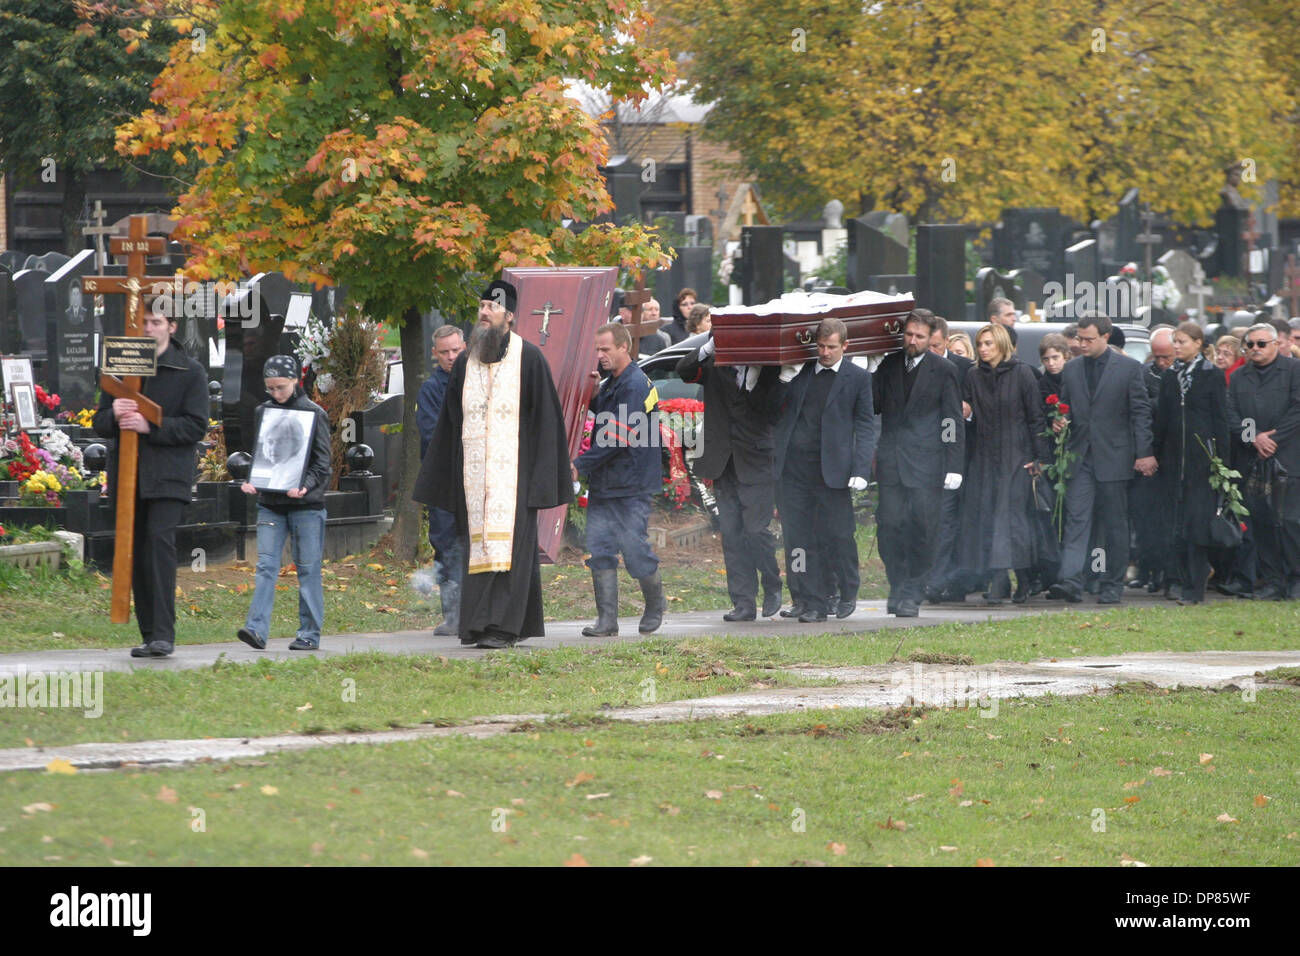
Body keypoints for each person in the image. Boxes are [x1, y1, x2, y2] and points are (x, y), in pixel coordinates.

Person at [413, 279, 573, 648]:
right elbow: (450, 425)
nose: (484, 313)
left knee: (510, 554)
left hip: (514, 479)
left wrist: (541, 481)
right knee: (477, 550)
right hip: (474, 479)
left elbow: (547, 421)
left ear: (511, 316)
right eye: (482, 306)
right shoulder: (465, 364)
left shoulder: (529, 358)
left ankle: (504, 628)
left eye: (492, 307)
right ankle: (478, 623)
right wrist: (448, 478)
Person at [92, 309, 207, 658]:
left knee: (159, 544)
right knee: (137, 550)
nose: (148, 328)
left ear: (171, 327)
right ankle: (148, 635)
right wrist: (114, 414)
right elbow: (99, 422)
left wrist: (151, 427)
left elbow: (195, 426)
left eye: (156, 322)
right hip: (127, 476)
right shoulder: (120, 368)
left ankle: (163, 634)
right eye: (142, 322)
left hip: (168, 476)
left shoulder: (190, 371)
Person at [677, 331, 789, 621]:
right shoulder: (716, 363)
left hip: (757, 459)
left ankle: (772, 583)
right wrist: (710, 345)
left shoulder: (772, 370)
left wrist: (770, 379)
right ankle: (743, 602)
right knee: (732, 533)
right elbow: (683, 370)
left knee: (756, 530)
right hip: (723, 461)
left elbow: (774, 412)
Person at [1046, 314, 1156, 604]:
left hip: (1115, 457)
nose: (1082, 344)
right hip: (1080, 456)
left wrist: (1144, 452)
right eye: (1080, 338)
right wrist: (1061, 420)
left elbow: (1140, 413)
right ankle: (1071, 581)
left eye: (1088, 339)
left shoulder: (1129, 369)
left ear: (1105, 337)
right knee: (1076, 518)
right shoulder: (1071, 369)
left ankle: (1111, 584)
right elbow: (1066, 407)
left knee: (1115, 523)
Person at [773, 318, 876, 621]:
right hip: (796, 469)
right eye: (821, 346)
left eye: (831, 347)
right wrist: (784, 380)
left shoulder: (857, 378)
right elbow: (776, 411)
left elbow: (866, 426)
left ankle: (846, 591)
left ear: (845, 346)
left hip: (834, 471)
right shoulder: (801, 372)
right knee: (798, 539)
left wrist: (861, 468)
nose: (825, 352)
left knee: (838, 535)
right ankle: (806, 597)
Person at [572, 323, 666, 636]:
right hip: (607, 482)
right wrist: (592, 394)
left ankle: (655, 605)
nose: (599, 355)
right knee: (600, 549)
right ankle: (607, 621)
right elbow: (602, 412)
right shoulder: (615, 381)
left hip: (632, 484)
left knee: (634, 549)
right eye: (597, 349)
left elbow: (616, 436)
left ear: (624, 347)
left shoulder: (634, 384)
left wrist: (580, 465)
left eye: (605, 349)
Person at [236, 355, 334, 650]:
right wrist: (252, 478)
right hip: (271, 503)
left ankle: (309, 634)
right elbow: (261, 453)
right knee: (265, 565)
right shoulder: (263, 411)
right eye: (270, 389)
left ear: (295, 381)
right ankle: (255, 629)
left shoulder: (314, 413)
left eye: (280, 387)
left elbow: (323, 463)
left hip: (306, 506)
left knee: (307, 568)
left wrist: (305, 486)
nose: (275, 394)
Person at [872, 308, 964, 617]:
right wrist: (870, 370)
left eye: (919, 336)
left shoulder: (944, 369)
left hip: (928, 462)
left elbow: (951, 419)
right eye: (909, 334)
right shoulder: (889, 363)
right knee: (889, 527)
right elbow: (874, 404)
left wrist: (954, 464)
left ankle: (914, 589)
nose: (912, 341)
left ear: (931, 338)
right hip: (892, 461)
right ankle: (898, 584)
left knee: (923, 528)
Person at [958, 324, 1050, 604]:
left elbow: (1036, 417)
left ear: (1001, 344)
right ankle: (999, 581)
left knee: (1013, 522)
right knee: (987, 519)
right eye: (980, 343)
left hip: (1017, 456)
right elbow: (969, 415)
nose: (983, 348)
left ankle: (1022, 578)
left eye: (988, 343)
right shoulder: (973, 376)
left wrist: (1040, 458)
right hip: (985, 458)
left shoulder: (1022, 373)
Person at [1153, 322, 1229, 605]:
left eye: (1182, 341)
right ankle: (1177, 580)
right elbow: (1162, 421)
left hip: (1202, 463)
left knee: (1198, 526)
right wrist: (1156, 455)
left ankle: (1195, 589)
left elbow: (1220, 420)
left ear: (1198, 343)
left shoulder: (1212, 375)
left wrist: (1221, 463)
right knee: (1177, 526)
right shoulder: (1170, 377)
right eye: (1175, 341)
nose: (1176, 346)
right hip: (1174, 463)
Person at [1227, 323, 1300, 600]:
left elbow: (1298, 408)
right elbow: (1231, 412)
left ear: (1275, 344)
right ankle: (1272, 580)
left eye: (1261, 344)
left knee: (1291, 520)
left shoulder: (1294, 370)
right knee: (1261, 521)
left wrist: (1275, 438)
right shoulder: (1239, 377)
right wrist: (1254, 438)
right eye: (1250, 345)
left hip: (1289, 457)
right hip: (1253, 458)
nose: (1255, 349)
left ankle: (1296, 577)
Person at [416, 325, 467, 635]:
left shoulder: (476, 380)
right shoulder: (432, 390)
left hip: (474, 481)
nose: (450, 357)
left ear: (464, 348)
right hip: (445, 482)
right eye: (444, 352)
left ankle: (474, 610)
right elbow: (433, 435)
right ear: (434, 354)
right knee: (446, 544)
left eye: (455, 350)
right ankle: (453, 616)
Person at [925, 315, 976, 603]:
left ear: (946, 341)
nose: (930, 351)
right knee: (934, 522)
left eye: (935, 345)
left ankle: (950, 581)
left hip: (962, 456)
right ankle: (934, 580)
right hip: (927, 456)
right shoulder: (915, 366)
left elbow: (980, 406)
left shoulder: (965, 369)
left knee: (954, 523)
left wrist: (970, 412)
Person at [1128, 327, 1171, 593]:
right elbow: (1138, 411)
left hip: (1171, 454)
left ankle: (1164, 572)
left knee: (1165, 521)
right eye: (1157, 356)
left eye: (1166, 356)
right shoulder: (1144, 374)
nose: (1161, 362)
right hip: (1145, 451)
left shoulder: (1181, 376)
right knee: (1143, 519)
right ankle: (1146, 569)